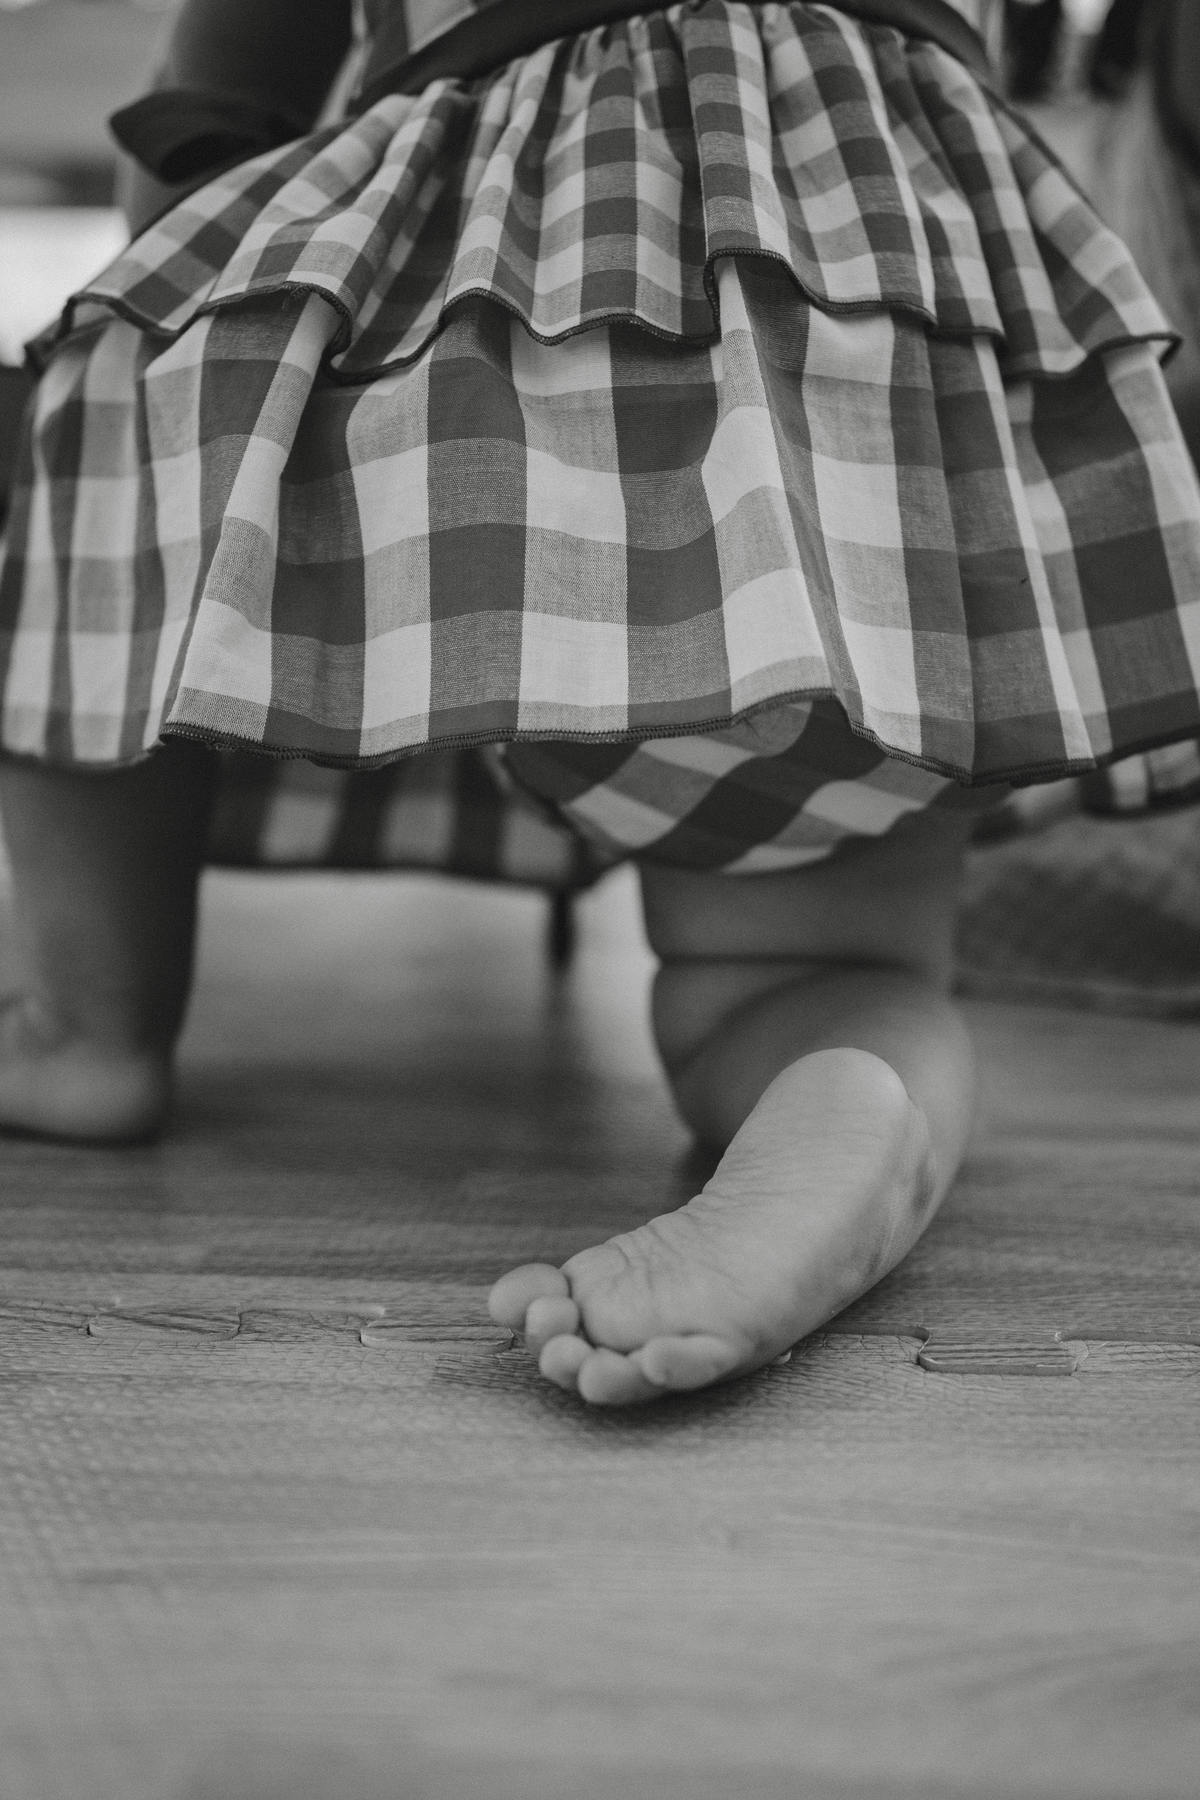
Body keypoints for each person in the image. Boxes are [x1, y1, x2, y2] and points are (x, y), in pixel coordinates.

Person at [1, 0, 1198, 1407]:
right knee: (805, 969)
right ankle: (845, 1086)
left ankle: (88, 1029)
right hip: (890, 339)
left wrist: (170, 272)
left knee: (111, 433)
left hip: (520, 269)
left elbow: (223, 83)